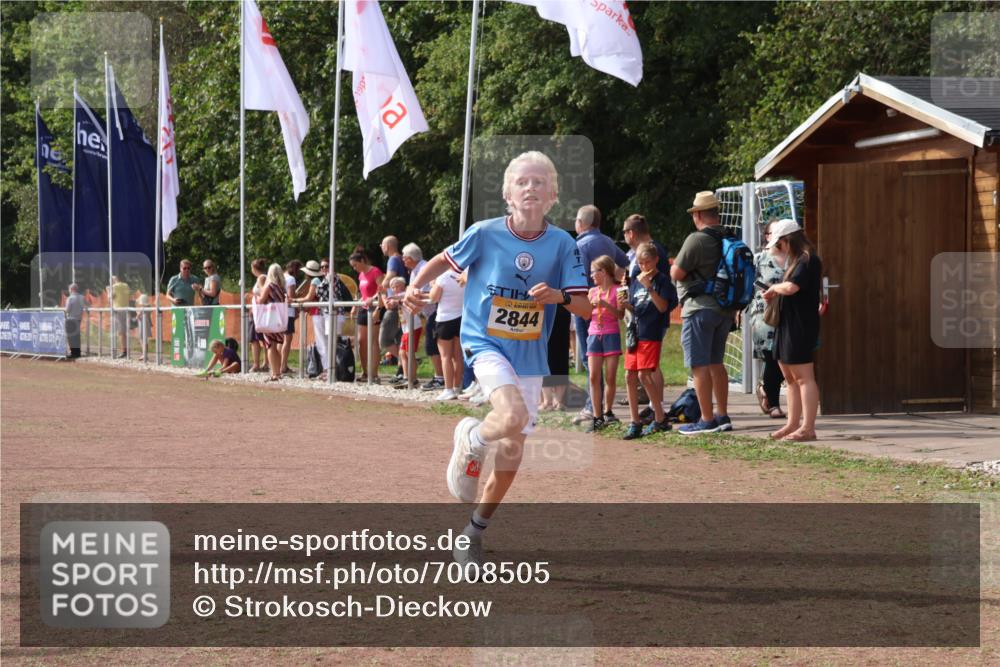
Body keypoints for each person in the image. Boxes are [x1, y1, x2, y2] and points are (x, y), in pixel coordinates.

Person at [404, 151, 590, 567]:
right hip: (484, 341)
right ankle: (473, 438)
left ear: (553, 195)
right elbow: (442, 260)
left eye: (539, 182)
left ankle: (472, 533)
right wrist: (415, 287)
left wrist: (558, 296)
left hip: (530, 353)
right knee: (510, 416)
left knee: (513, 448)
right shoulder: (484, 233)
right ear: (507, 194)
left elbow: (586, 307)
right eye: (522, 182)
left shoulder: (563, 244)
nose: (530, 188)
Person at [671, 191, 737, 435]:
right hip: (725, 310)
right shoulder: (729, 237)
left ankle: (706, 419)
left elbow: (676, 273)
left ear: (697, 214)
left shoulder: (697, 240)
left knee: (699, 365)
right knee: (716, 363)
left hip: (699, 309)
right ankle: (722, 415)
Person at [762, 220, 822, 441]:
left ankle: (808, 428)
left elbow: (791, 287)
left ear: (788, 240)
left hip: (800, 326)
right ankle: (792, 424)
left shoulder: (808, 260)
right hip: (786, 325)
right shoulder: (796, 260)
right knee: (789, 378)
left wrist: (774, 288)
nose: (780, 249)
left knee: (804, 378)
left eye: (780, 244)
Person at [573, 205, 629, 423]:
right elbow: (625, 262)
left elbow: (576, 276)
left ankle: (592, 406)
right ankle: (603, 409)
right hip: (605, 306)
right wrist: (619, 283)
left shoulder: (580, 245)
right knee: (601, 365)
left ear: (581, 223)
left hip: (588, 303)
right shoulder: (608, 241)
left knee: (589, 358)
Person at [621, 213, 674, 420]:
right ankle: (653, 408)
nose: (643, 266)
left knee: (651, 368)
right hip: (639, 317)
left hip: (652, 319)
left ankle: (657, 409)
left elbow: (662, 290)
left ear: (631, 233)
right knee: (641, 369)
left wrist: (649, 294)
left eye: (625, 232)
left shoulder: (653, 252)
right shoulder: (641, 253)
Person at [749, 220, 787, 419]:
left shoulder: (795, 258)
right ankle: (774, 404)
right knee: (772, 357)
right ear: (767, 236)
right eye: (775, 232)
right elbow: (749, 286)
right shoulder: (759, 259)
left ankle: (765, 388)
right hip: (765, 316)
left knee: (783, 357)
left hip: (789, 315)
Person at [584, 255, 623, 432]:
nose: (591, 275)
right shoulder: (592, 291)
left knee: (610, 377)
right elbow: (586, 315)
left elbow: (620, 315)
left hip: (611, 334)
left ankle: (608, 411)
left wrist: (604, 304)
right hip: (594, 334)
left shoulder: (618, 290)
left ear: (604, 272)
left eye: (594, 271)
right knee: (593, 376)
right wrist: (587, 307)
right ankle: (597, 416)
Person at [403, 243, 445, 391]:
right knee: (433, 345)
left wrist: (416, 300)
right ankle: (440, 376)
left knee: (433, 345)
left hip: (436, 311)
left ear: (409, 258)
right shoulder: (416, 270)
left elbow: (430, 293)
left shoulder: (424, 268)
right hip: (431, 312)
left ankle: (441, 377)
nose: (403, 260)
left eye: (404, 257)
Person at [431, 269, 466, 400]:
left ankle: (448, 389)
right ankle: (457, 387)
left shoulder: (443, 276)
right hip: (461, 317)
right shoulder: (466, 274)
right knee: (458, 356)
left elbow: (433, 298)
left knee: (445, 357)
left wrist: (433, 284)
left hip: (445, 319)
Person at [349, 249, 383, 383]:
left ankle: (374, 374)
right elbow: (361, 293)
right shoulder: (361, 275)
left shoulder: (375, 271)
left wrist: (373, 300)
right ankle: (365, 372)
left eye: (355, 265)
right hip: (363, 309)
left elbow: (382, 290)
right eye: (353, 266)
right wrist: (355, 305)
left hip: (374, 308)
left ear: (362, 261)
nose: (354, 268)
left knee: (373, 341)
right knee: (362, 341)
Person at [258, 263, 289, 382]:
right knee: (275, 347)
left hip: (269, 320)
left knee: (270, 346)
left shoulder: (270, 286)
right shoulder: (282, 288)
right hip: (279, 321)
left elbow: (261, 300)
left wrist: (257, 293)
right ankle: (278, 372)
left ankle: (274, 373)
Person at [379, 236, 407, 366]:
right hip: (401, 305)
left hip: (394, 306)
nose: (381, 247)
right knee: (400, 339)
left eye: (382, 245)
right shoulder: (401, 259)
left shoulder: (393, 259)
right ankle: (403, 366)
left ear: (387, 246)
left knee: (384, 340)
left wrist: (383, 285)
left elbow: (390, 276)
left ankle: (407, 360)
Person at [280, 260, 302, 375]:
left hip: (279, 311)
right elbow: (290, 297)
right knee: (287, 340)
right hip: (288, 312)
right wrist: (297, 296)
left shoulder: (280, 277)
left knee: (280, 340)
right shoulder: (291, 279)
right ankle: (283, 366)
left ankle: (279, 364)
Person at [247, 258, 269, 372]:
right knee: (261, 338)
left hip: (259, 312)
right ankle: (265, 362)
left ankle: (257, 364)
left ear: (254, 268)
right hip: (259, 311)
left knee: (255, 339)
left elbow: (263, 293)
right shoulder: (262, 277)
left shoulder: (261, 278)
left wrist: (252, 298)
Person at [108, 275, 130, 358]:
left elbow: (110, 298)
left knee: (121, 332)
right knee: (124, 331)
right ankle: (125, 350)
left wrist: (108, 290)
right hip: (126, 309)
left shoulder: (114, 287)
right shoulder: (126, 285)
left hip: (118, 310)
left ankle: (124, 351)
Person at [64, 283, 86, 358]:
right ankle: (77, 352)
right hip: (78, 319)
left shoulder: (70, 298)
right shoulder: (82, 297)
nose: (69, 291)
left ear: (71, 289)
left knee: (71, 336)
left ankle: (73, 353)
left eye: (69, 289)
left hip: (70, 319)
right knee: (76, 336)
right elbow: (87, 305)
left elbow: (67, 310)